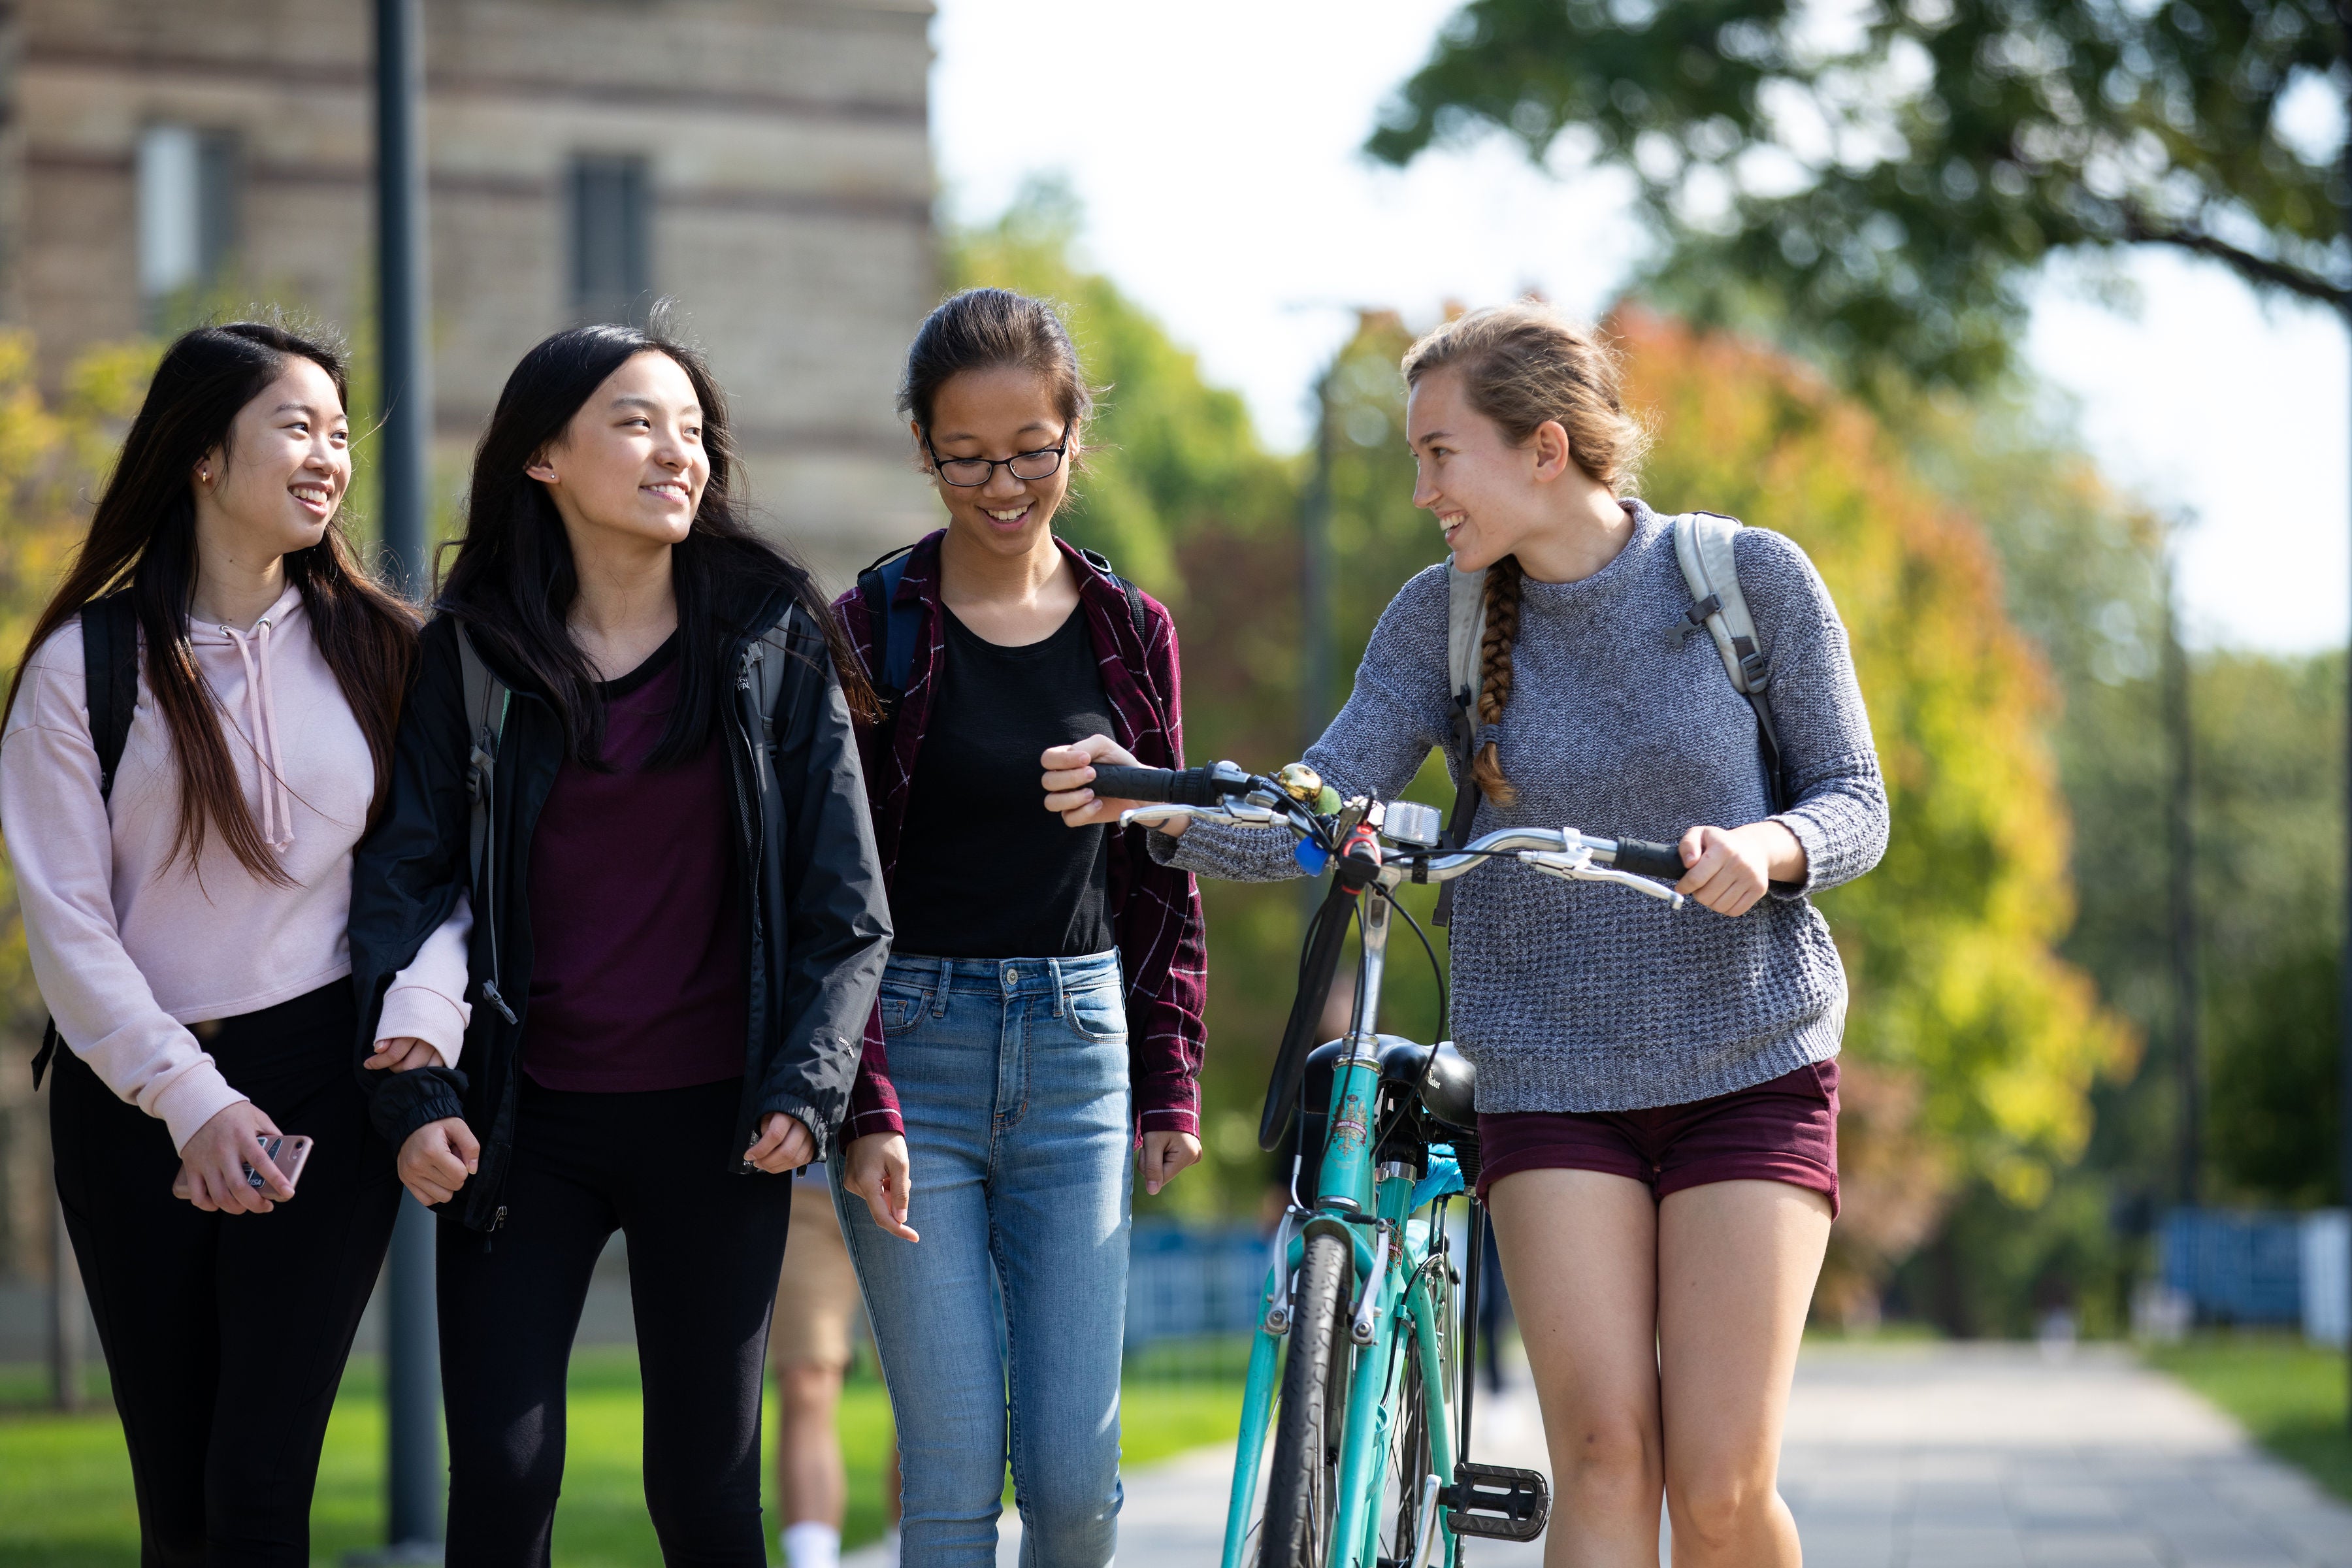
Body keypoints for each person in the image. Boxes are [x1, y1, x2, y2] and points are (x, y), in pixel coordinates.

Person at [1047, 302, 1887, 1568]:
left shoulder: (1742, 580)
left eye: (1443, 453)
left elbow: (1857, 803)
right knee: (1604, 1451)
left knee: (1719, 1486)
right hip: (1547, 1074)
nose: (1424, 486)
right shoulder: (1438, 620)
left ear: (1544, 450)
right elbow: (1322, 809)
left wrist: (1769, 851)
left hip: (1748, 1063)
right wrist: (1154, 804)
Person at [344, 321, 892, 1567]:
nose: (677, 455)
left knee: (705, 1497)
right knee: (501, 1477)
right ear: (544, 455)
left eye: (693, 432)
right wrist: (414, 1096)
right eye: (639, 424)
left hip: (719, 1121)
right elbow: (403, 881)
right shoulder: (472, 653)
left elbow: (846, 901)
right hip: (519, 1122)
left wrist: (811, 1090)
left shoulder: (768, 635)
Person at [1, 321, 418, 1565]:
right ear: (199, 455)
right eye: (298, 426)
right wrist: (191, 1103)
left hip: (321, 1090)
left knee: (260, 1482)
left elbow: (439, 883)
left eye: (341, 434)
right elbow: (66, 923)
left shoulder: (391, 653)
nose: (329, 457)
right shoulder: (87, 664)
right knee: (177, 1496)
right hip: (130, 1090)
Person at [831, 286, 1207, 1568]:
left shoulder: (1129, 632)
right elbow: (838, 892)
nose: (1002, 485)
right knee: (947, 1477)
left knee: (1075, 1482)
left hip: (1078, 1052)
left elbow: (1162, 871)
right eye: (967, 457)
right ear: (923, 451)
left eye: (1031, 452)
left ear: (1074, 439)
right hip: (913, 1049)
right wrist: (865, 1100)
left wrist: (1169, 1080)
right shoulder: (872, 627)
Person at [772, 1160, 900, 1568]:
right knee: (805, 1383)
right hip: (804, 1186)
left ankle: (910, 1554)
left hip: (911, 1192)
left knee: (921, 1394)